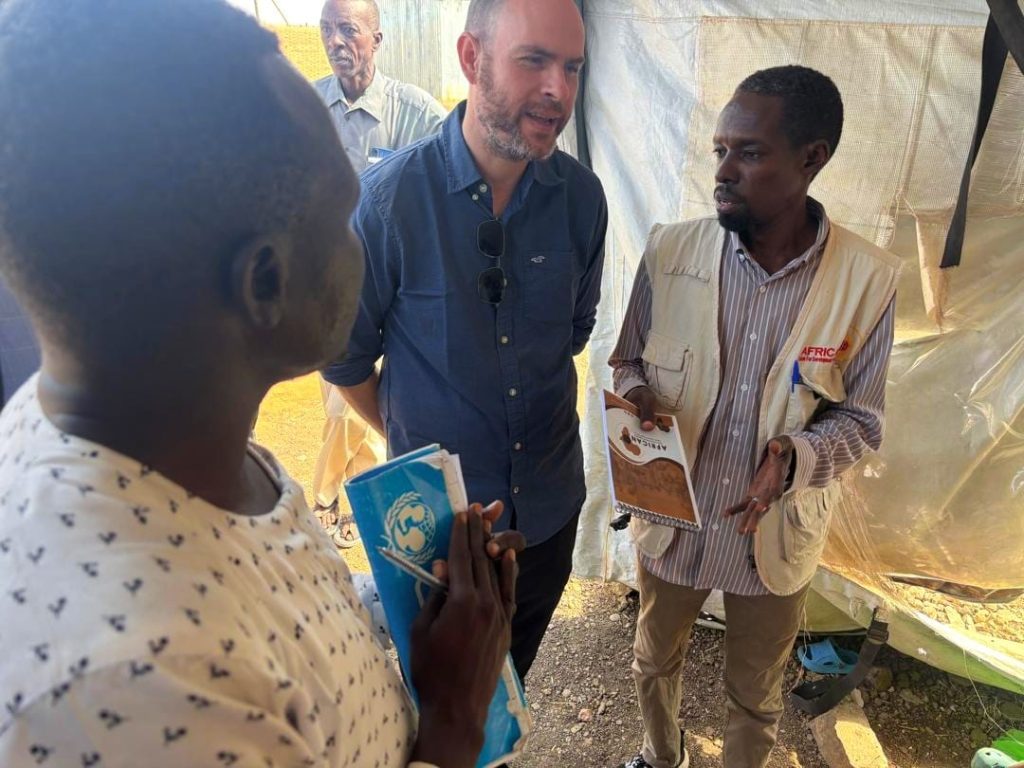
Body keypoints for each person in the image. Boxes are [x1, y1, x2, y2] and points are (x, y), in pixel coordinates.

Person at [0, 1, 522, 766]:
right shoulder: (135, 694)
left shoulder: (160, 436)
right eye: (345, 216)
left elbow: (262, 595)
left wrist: (401, 611)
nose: (362, 243)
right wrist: (454, 718)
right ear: (266, 283)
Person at [609, 65, 900, 768]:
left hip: (772, 536)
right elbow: (626, 362)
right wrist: (638, 393)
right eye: (720, 150)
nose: (723, 170)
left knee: (755, 694)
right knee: (653, 660)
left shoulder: (867, 281)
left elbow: (862, 419)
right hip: (675, 522)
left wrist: (793, 458)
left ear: (811, 158)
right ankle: (662, 755)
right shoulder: (671, 252)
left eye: (750, 152)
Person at [324, 0, 608, 681]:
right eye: (534, 60)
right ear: (471, 58)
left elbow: (573, 334)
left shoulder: (582, 199)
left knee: (510, 689)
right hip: (436, 532)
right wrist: (420, 443)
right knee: (441, 704)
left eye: (572, 67)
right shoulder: (388, 202)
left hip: (548, 516)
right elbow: (346, 357)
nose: (559, 89)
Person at [309, 0, 449, 548]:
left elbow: (448, 193)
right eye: (327, 29)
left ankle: (338, 498)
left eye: (348, 29)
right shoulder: (305, 108)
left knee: (376, 400)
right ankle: (334, 496)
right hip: (328, 291)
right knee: (342, 400)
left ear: (377, 38)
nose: (335, 41)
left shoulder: (417, 114)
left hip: (397, 293)